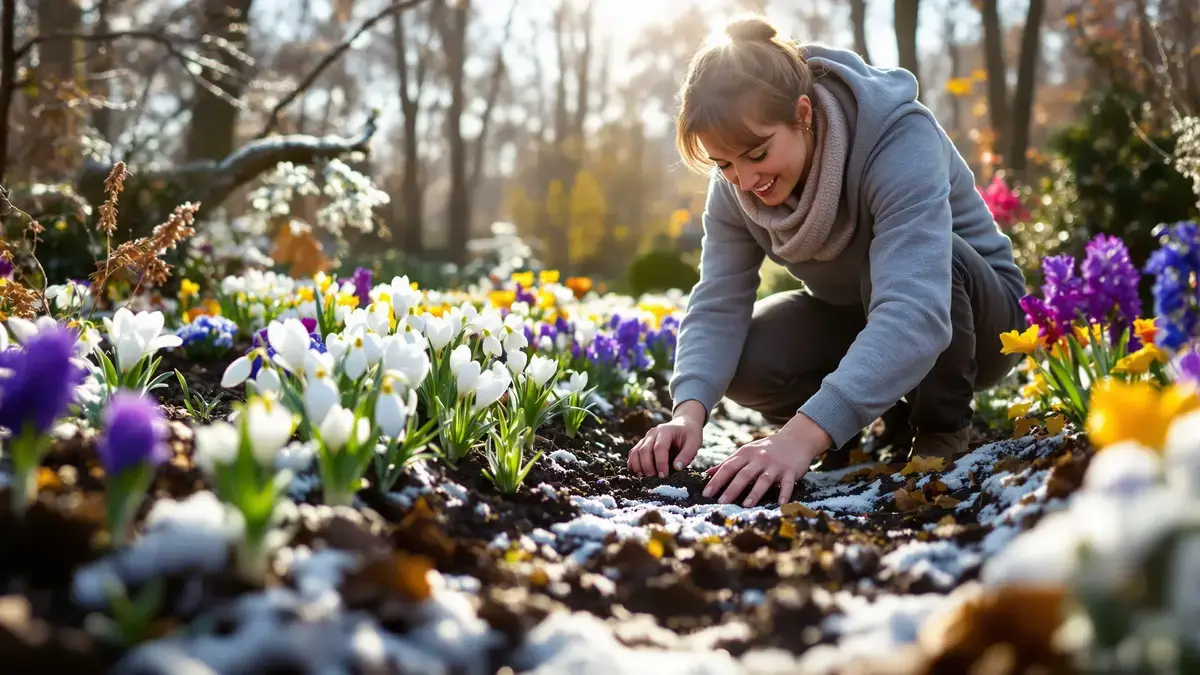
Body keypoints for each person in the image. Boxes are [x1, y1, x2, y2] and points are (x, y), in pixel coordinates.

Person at [626, 15, 1027, 508]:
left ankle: (940, 426)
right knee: (750, 362)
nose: (746, 180)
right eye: (724, 164)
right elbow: (718, 299)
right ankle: (866, 417)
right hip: (859, 310)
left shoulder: (897, 138)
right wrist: (688, 412)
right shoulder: (736, 182)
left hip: (979, 323)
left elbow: (916, 309)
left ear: (803, 114)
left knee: (939, 260)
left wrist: (797, 439)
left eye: (758, 153)